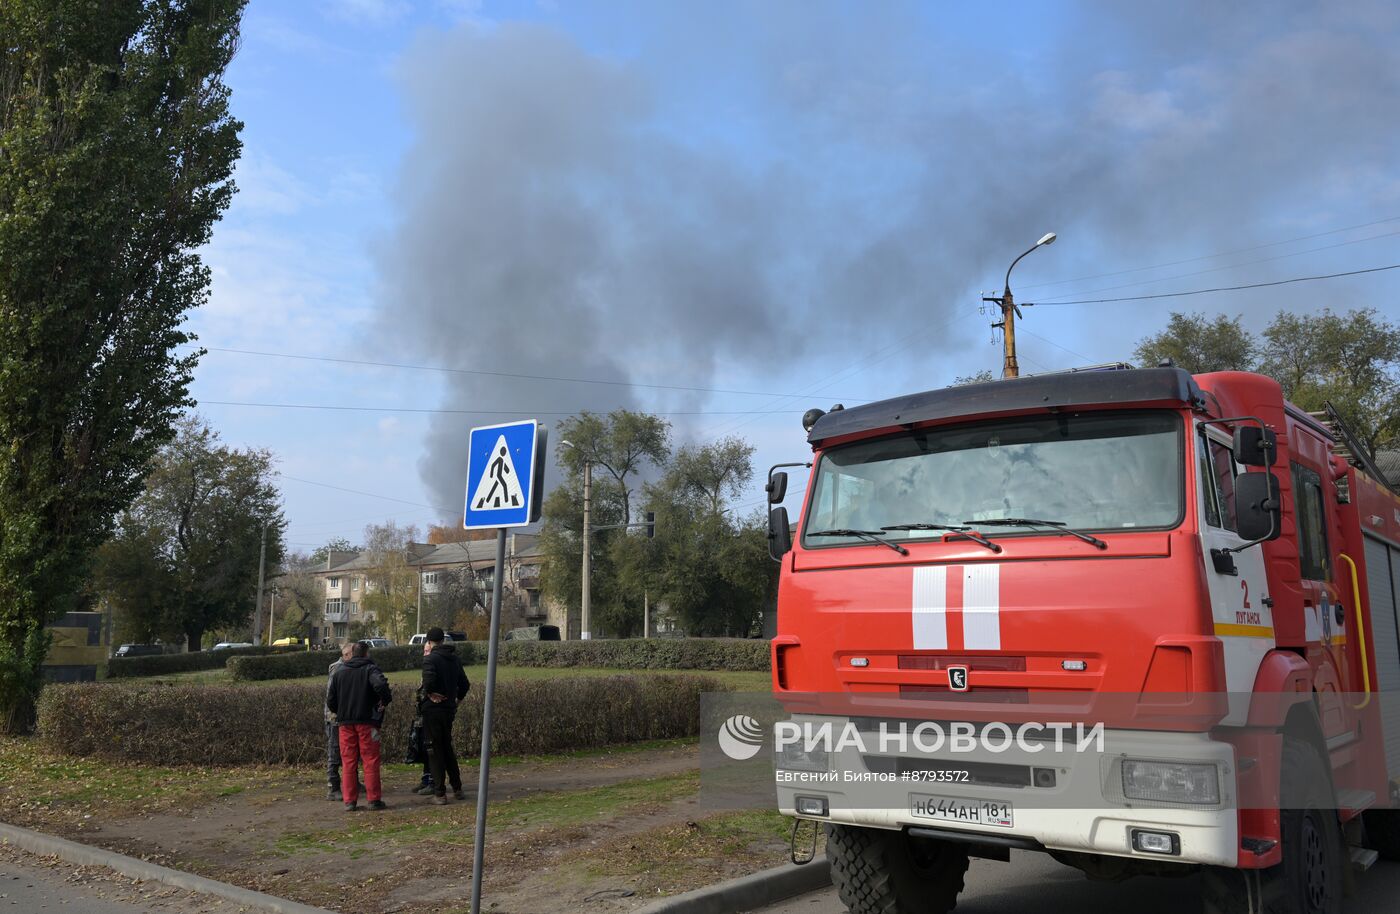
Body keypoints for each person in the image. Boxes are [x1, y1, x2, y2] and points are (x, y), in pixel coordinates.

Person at [326, 641, 393, 811]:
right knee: (370, 760)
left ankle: (350, 801)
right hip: (367, 721)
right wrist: (384, 701)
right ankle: (373, 799)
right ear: (366, 653)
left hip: (345, 723)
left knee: (348, 761)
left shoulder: (339, 672)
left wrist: (340, 711)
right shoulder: (370, 669)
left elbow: (330, 700)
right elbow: (381, 686)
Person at [421, 626, 469, 805]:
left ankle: (439, 793)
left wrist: (429, 693)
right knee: (447, 747)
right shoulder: (454, 659)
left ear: (429, 641)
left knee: (434, 750)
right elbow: (465, 684)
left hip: (433, 710)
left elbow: (428, 682)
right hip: (449, 709)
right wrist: (456, 701)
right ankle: (457, 787)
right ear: (443, 640)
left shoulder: (430, 659)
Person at [324, 642, 355, 800]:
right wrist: (338, 713)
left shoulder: (348, 667)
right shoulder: (337, 668)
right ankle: (333, 786)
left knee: (350, 751)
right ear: (347, 655)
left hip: (345, 716)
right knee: (335, 751)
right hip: (335, 717)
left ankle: (353, 782)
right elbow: (332, 696)